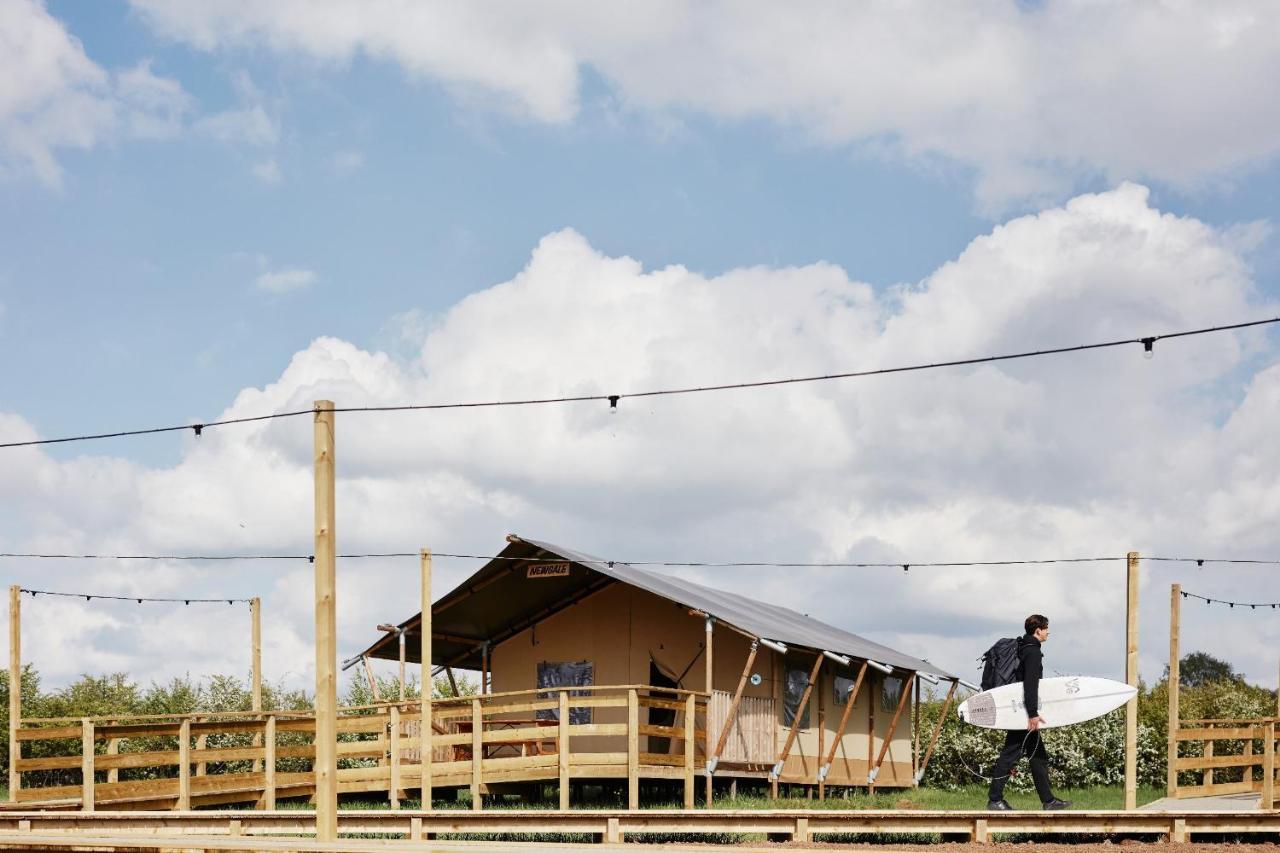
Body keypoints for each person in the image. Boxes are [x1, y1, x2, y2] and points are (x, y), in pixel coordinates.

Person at [987, 614, 1071, 811]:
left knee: (1038, 755)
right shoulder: (1032, 651)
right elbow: (1030, 684)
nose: (1048, 632)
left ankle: (1048, 801)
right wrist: (1032, 713)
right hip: (1024, 713)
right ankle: (994, 799)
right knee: (1010, 755)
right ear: (1038, 630)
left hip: (1022, 710)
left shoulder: (1023, 647)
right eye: (1046, 628)